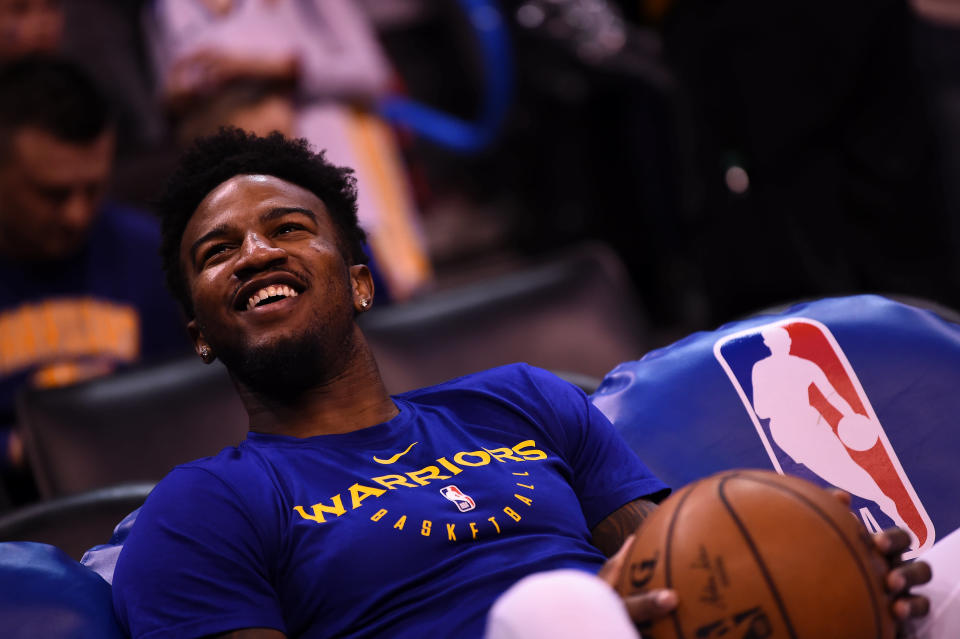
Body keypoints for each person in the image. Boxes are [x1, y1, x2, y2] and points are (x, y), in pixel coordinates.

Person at [111, 128, 931, 638]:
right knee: (554, 614)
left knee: (948, 571)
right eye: (218, 251)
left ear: (360, 281)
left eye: (287, 228)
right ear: (199, 334)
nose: (255, 252)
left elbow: (670, 563)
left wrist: (825, 576)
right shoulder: (195, 513)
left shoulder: (519, 400)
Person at [144, 0, 433, 302]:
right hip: (225, 133)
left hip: (338, 152)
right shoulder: (166, 9)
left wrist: (276, 67)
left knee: (376, 276)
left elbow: (373, 74)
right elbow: (169, 97)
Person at [0, 56, 190, 497]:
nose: (77, 214)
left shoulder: (150, 253)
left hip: (140, 493)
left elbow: (189, 404)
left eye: (94, 189)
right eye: (53, 194)